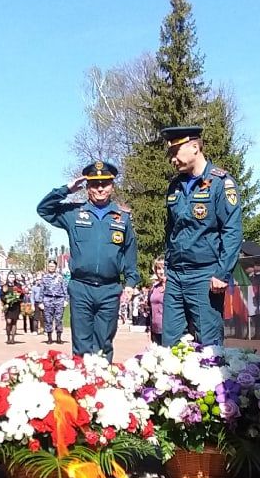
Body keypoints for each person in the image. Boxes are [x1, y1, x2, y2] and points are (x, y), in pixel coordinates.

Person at [36, 160, 141, 360]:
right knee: (81, 345)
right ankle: (81, 388)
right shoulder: (74, 213)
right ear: (87, 188)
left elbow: (130, 254)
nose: (100, 188)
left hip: (109, 290)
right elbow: (44, 210)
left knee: (104, 345)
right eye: (94, 184)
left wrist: (130, 283)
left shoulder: (122, 217)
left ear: (112, 186)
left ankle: (102, 388)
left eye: (105, 183)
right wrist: (66, 189)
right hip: (81, 287)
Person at [159, 125, 242, 346]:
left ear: (195, 147)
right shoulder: (174, 187)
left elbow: (232, 231)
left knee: (209, 344)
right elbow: (171, 231)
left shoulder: (221, 183)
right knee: (170, 344)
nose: (172, 160)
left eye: (175, 153)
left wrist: (222, 273)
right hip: (176, 275)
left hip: (205, 275)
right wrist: (167, 268)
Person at [32, 260, 68, 345]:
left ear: (55, 267)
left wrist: (66, 300)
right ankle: (49, 338)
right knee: (48, 320)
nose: (51, 268)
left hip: (59, 300)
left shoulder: (60, 277)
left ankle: (59, 337)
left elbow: (65, 289)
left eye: (52, 266)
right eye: (49, 266)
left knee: (59, 319)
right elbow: (42, 291)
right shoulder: (44, 278)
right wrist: (40, 302)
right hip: (48, 300)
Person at [148, 257, 167, 346]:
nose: (161, 271)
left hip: (169, 330)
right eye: (159, 268)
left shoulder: (173, 287)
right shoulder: (154, 288)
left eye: (164, 268)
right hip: (155, 330)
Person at [0, 280, 24, 344]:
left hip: (16, 306)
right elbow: (1, 295)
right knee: (8, 321)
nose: (12, 278)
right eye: (10, 277)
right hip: (8, 306)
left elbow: (22, 295)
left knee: (14, 322)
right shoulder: (5, 286)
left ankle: (12, 339)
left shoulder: (18, 285)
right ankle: (8, 337)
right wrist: (6, 300)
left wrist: (17, 298)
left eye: (13, 277)